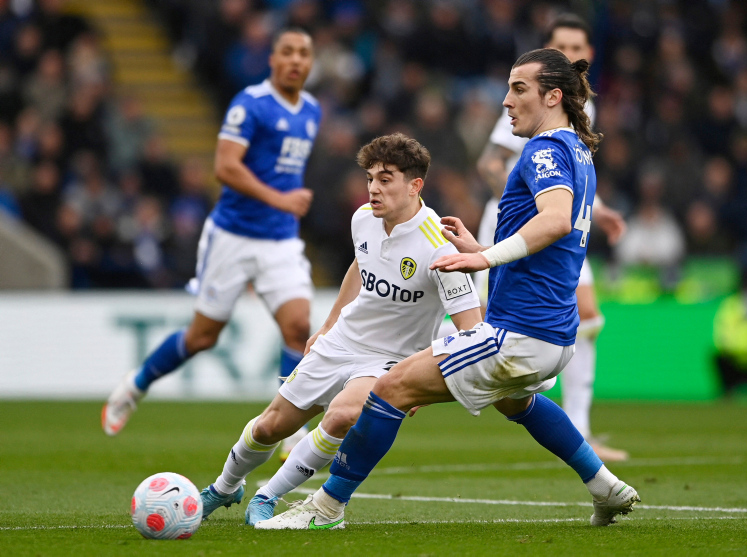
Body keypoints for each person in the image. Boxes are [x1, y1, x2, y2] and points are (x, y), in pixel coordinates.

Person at [258, 48, 640, 531]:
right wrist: (481, 244)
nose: (506, 101)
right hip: (554, 334)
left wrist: (484, 256)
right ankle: (603, 485)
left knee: (390, 388)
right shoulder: (577, 152)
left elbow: (557, 221)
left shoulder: (544, 150)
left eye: (518, 88)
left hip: (520, 334)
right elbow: (551, 241)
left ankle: (325, 508)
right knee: (515, 401)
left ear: (553, 96)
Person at [198, 133, 482, 525]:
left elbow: (471, 329)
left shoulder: (440, 247)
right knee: (270, 426)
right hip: (344, 340)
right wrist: (329, 324)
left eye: (385, 179)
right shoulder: (363, 218)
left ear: (415, 185)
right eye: (370, 178)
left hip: (391, 359)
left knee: (342, 414)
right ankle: (224, 487)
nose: (372, 189)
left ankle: (269, 496)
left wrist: (420, 379)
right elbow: (359, 267)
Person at [102, 29, 321, 442]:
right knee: (203, 336)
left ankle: (289, 429)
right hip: (233, 236)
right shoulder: (250, 105)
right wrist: (281, 199)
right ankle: (135, 385)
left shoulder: (311, 110)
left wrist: (284, 205)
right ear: (272, 60)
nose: (296, 60)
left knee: (298, 328)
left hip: (281, 239)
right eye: (287, 52)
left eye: (304, 54)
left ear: (311, 64)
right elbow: (224, 167)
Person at [476, 14, 628, 461]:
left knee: (589, 318)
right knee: (472, 316)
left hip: (558, 225)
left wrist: (597, 212)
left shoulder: (581, 110)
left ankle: (578, 428)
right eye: (558, 45)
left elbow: (569, 185)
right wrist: (519, 202)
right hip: (521, 222)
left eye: (575, 46)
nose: (567, 53)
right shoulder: (530, 98)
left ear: (589, 55)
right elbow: (490, 163)